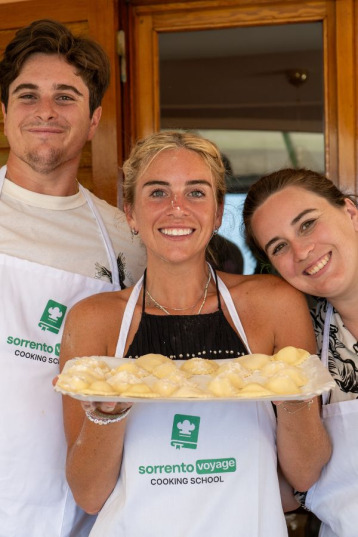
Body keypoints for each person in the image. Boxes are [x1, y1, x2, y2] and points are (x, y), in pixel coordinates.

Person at [59, 131, 331, 537]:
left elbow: (304, 475)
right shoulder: (94, 320)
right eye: (157, 193)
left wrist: (294, 398)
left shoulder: (273, 305)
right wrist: (108, 411)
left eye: (196, 193)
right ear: (130, 212)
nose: (177, 209)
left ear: (219, 212)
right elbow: (89, 495)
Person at [0, 19, 145, 537]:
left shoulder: (127, 241)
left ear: (93, 121)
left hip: (78, 511)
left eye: (66, 97)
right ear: (4, 114)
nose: (45, 110)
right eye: (27, 95)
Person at [242, 167, 358, 537]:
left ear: (351, 213)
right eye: (279, 246)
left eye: (307, 224)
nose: (302, 251)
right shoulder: (299, 342)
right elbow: (296, 486)